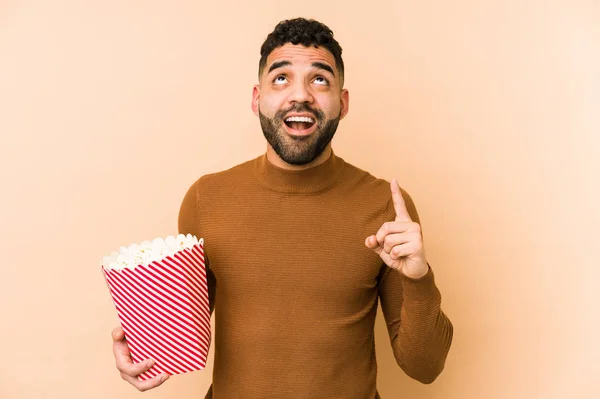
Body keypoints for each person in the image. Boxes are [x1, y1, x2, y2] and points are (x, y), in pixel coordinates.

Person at [111, 17, 453, 398]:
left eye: (319, 79)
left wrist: (418, 278)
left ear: (342, 103)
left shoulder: (387, 207)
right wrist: (142, 348)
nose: (301, 95)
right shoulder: (205, 199)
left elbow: (425, 367)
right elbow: (180, 332)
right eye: (281, 78)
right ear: (257, 99)